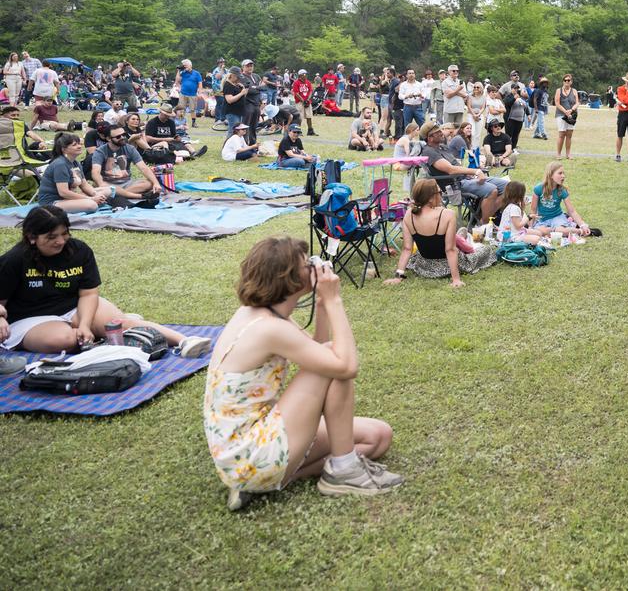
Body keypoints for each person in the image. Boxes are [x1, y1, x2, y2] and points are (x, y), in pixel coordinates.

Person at [204, 236, 403, 511]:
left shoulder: (267, 316)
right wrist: (334, 302)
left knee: (378, 437)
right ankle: (344, 469)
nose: (314, 266)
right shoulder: (268, 328)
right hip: (249, 452)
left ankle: (272, 483)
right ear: (290, 280)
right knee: (336, 355)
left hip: (254, 445)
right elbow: (345, 365)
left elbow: (316, 355)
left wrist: (321, 307)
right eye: (307, 264)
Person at [0, 206, 211, 356]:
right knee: (66, 340)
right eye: (52, 237)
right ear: (31, 237)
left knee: (118, 325)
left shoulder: (78, 250)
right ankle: (95, 333)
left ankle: (185, 341)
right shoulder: (14, 260)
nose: (60, 241)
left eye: (64, 234)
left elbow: (89, 293)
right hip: (29, 318)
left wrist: (83, 323)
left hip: (73, 307)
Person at [384, 179, 497, 289]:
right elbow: (450, 250)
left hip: (424, 266)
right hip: (447, 266)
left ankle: (461, 237)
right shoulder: (447, 214)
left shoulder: (409, 214)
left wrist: (398, 276)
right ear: (430, 197)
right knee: (486, 250)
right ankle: (463, 238)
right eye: (439, 192)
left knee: (458, 241)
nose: (442, 195)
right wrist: (456, 279)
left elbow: (407, 249)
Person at [420, 122, 508, 225]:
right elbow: (450, 169)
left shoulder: (442, 147)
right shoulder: (429, 152)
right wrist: (476, 171)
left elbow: (457, 165)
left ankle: (482, 216)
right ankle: (484, 225)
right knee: (492, 190)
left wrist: (471, 172)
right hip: (455, 185)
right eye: (438, 132)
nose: (441, 133)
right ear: (430, 138)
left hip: (466, 179)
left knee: (507, 187)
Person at [36, 133, 111, 213]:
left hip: (67, 199)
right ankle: (89, 203)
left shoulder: (75, 163)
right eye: (74, 145)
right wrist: (91, 199)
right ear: (64, 149)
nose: (79, 146)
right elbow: (63, 192)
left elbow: (84, 184)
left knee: (108, 190)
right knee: (92, 205)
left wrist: (95, 194)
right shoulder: (60, 164)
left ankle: (90, 202)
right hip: (53, 202)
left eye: (79, 143)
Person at [90, 124, 162, 201]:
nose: (122, 138)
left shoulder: (130, 148)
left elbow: (143, 168)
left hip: (127, 184)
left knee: (149, 184)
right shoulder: (100, 151)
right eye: (118, 137)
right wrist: (101, 184)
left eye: (123, 135)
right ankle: (136, 195)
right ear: (108, 139)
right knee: (104, 188)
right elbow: (95, 172)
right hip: (108, 183)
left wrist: (156, 183)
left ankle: (115, 195)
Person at [531, 161, 590, 237]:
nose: (563, 176)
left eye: (563, 173)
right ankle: (552, 231)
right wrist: (530, 227)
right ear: (551, 175)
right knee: (539, 232)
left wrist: (582, 225)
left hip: (557, 218)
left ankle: (579, 231)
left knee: (560, 231)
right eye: (560, 173)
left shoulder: (562, 190)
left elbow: (572, 211)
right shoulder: (538, 189)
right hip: (542, 220)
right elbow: (533, 210)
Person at [497, 181, 549, 245]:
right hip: (509, 236)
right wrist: (529, 217)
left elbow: (519, 221)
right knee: (536, 239)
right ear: (520, 195)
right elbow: (518, 226)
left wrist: (523, 207)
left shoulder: (514, 206)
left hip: (517, 231)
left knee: (539, 233)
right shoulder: (513, 208)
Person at [553, 73, 579, 160]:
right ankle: (558, 154)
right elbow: (557, 103)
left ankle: (568, 154)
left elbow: (577, 103)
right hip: (561, 114)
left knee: (569, 134)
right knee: (561, 134)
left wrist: (571, 110)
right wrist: (565, 111)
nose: (567, 82)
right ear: (563, 81)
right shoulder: (558, 90)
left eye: (569, 80)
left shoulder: (574, 91)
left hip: (572, 114)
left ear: (571, 82)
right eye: (565, 80)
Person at [239, 59, 264, 145]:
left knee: (254, 126)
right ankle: (244, 144)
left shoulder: (256, 76)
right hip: (247, 103)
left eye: (251, 66)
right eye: (247, 66)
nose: (250, 67)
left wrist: (254, 87)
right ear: (243, 67)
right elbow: (248, 90)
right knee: (246, 125)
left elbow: (263, 88)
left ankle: (253, 144)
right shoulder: (241, 77)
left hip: (257, 103)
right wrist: (257, 88)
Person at [176, 59, 203, 128]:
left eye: (186, 65)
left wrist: (200, 93)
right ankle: (181, 122)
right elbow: (177, 81)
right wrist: (178, 71)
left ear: (190, 65)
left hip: (192, 94)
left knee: (192, 109)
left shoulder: (196, 73)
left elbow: (200, 83)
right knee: (182, 109)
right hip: (183, 93)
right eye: (184, 65)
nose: (185, 67)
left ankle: (193, 123)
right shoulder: (183, 73)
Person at [290, 69, 318, 136]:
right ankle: (298, 131)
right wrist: (303, 100)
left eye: (306, 74)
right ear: (300, 75)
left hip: (307, 101)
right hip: (299, 102)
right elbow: (296, 93)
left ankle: (310, 130)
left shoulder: (308, 82)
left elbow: (311, 91)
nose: (306, 75)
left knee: (309, 116)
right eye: (304, 74)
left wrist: (308, 99)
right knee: (299, 117)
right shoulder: (296, 83)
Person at [502, 81, 527, 149]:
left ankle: (513, 148)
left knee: (516, 135)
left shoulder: (520, 98)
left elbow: (524, 106)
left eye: (517, 89)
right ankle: (506, 148)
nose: (516, 90)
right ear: (511, 89)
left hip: (519, 120)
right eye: (514, 88)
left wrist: (528, 114)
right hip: (510, 119)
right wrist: (514, 98)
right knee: (508, 135)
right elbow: (507, 103)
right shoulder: (508, 96)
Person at [465, 82, 487, 151]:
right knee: (472, 132)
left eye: (477, 87)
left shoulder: (483, 97)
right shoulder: (470, 96)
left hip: (479, 115)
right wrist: (474, 115)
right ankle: (471, 148)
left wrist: (479, 114)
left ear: (481, 88)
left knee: (478, 133)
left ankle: (476, 148)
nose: (475, 88)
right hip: (471, 115)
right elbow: (469, 106)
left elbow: (483, 107)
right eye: (474, 87)